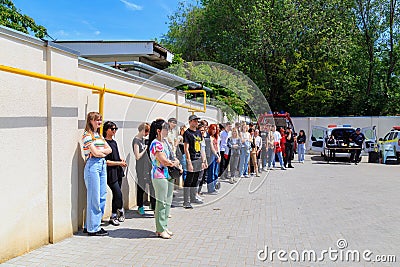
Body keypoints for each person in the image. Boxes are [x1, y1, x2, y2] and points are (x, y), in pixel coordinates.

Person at [148, 119, 181, 239]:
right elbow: (163, 160)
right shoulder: (155, 143)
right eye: (165, 128)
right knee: (161, 202)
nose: (167, 130)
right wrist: (174, 163)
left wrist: (175, 162)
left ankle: (164, 225)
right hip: (159, 175)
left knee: (168, 202)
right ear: (158, 131)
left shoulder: (165, 142)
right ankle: (160, 228)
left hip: (169, 174)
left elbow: (172, 156)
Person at [81, 112, 112, 236]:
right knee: (94, 197)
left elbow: (109, 149)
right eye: (96, 120)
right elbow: (95, 153)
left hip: (102, 165)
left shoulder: (98, 135)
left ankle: (91, 225)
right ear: (90, 121)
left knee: (102, 196)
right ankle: (93, 228)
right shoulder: (87, 135)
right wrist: (101, 152)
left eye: (100, 120)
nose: (99, 122)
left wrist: (100, 152)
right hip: (93, 165)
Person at [103, 121, 127, 226]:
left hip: (118, 171)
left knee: (117, 194)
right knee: (118, 193)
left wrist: (120, 159)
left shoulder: (114, 142)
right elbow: (106, 161)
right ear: (106, 130)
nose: (114, 131)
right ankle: (119, 211)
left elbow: (115, 155)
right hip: (110, 172)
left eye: (115, 129)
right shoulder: (104, 143)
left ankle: (115, 214)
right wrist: (119, 162)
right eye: (112, 129)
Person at [183, 115, 207, 209]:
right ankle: (186, 201)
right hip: (192, 159)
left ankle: (193, 197)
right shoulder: (187, 133)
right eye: (194, 121)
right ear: (190, 122)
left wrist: (203, 160)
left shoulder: (198, 132)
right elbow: (186, 149)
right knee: (189, 180)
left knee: (196, 179)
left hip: (198, 159)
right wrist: (189, 162)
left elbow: (201, 147)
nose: (196, 122)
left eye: (197, 121)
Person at [133, 122, 155, 215]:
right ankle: (140, 206)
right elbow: (137, 156)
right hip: (140, 167)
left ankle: (153, 205)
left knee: (152, 185)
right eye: (146, 131)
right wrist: (145, 149)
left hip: (148, 166)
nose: (147, 133)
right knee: (141, 186)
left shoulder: (144, 140)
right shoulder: (136, 140)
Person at [207, 124, 221, 193]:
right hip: (212, 155)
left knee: (216, 172)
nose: (214, 131)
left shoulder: (216, 137)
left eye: (215, 129)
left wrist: (219, 155)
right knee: (211, 172)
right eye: (213, 129)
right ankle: (210, 188)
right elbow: (212, 148)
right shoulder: (209, 137)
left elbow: (218, 146)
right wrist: (217, 155)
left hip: (216, 155)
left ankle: (214, 187)